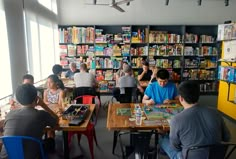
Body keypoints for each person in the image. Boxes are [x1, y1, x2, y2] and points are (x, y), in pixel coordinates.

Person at [159, 81, 231, 159]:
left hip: (190, 156)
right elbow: (227, 137)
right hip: (216, 155)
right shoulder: (215, 112)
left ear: (181, 98)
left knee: (163, 139)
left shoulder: (176, 119)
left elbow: (175, 147)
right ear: (198, 96)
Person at [1, 84, 59, 159]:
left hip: (7, 156)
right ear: (36, 98)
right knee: (51, 141)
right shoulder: (41, 114)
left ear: (18, 100)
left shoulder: (9, 114)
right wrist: (43, 105)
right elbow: (56, 121)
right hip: (31, 156)